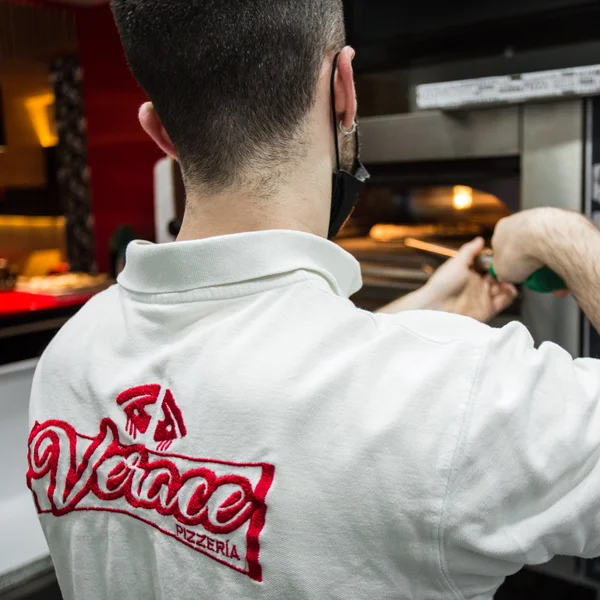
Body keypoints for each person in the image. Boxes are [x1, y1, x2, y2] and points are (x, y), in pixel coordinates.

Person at [26, 1, 600, 599]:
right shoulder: (462, 397)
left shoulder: (69, 357)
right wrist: (557, 237)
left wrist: (422, 316)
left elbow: (252, 398)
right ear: (344, 91)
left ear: (160, 130)